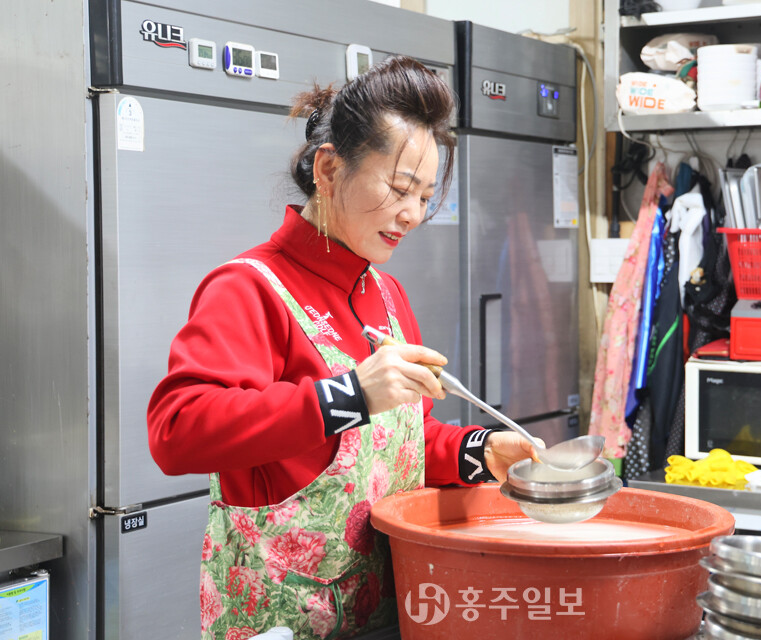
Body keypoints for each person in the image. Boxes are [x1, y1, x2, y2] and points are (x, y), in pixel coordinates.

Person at [147, 56, 538, 639]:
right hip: (280, 623)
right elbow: (177, 432)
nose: (413, 214)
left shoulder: (385, 292)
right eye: (400, 189)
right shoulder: (249, 288)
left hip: (384, 616)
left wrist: (479, 452)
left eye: (425, 196)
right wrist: (350, 394)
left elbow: (399, 445)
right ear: (329, 169)